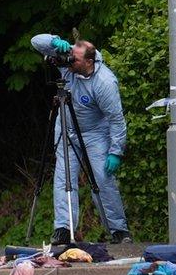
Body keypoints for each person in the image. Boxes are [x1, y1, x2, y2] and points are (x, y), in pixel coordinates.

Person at [30, 33, 132, 244]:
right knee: (63, 178)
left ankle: (118, 230)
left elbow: (116, 120)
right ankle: (63, 228)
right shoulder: (67, 63)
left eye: (74, 59)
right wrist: (54, 42)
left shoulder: (104, 82)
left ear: (88, 61)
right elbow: (35, 42)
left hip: (95, 134)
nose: (69, 61)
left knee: (103, 180)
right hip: (67, 129)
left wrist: (116, 151)